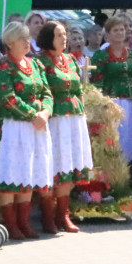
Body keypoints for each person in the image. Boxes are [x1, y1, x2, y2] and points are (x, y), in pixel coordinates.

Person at [0, 21, 54, 240]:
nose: (27, 43)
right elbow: (7, 98)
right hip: (10, 127)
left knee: (27, 172)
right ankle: (11, 224)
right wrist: (33, 115)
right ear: (10, 43)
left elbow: (47, 93)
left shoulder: (35, 65)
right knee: (9, 175)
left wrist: (45, 113)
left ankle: (24, 222)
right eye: (22, 39)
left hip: (35, 126)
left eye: (27, 38)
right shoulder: (2, 67)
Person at [36, 21, 93, 233]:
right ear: (48, 37)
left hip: (74, 119)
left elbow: (77, 88)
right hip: (55, 119)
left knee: (69, 166)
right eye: (59, 35)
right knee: (53, 166)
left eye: (64, 34)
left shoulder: (69, 59)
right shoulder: (40, 61)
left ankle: (63, 215)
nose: (64, 38)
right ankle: (48, 217)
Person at [90, 16, 132, 169]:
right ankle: (116, 173)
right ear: (107, 35)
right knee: (117, 136)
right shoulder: (101, 56)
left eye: (122, 30)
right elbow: (97, 82)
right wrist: (100, 105)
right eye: (115, 30)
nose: (119, 33)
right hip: (113, 103)